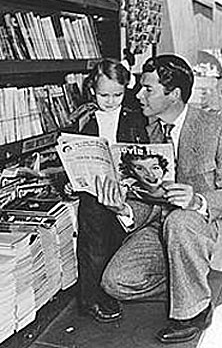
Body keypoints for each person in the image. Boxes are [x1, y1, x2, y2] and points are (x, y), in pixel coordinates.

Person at [96, 54, 222, 344]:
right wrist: (123, 208)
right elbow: (148, 199)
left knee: (180, 221)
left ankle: (193, 312)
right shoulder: (148, 131)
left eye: (147, 89)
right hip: (161, 225)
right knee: (115, 283)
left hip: (207, 223)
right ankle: (189, 281)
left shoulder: (218, 128)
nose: (138, 94)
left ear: (174, 94)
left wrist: (198, 201)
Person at [74, 58, 149, 323]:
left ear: (126, 90)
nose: (110, 100)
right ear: (93, 89)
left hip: (123, 192)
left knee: (116, 242)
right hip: (92, 193)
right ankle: (89, 299)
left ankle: (109, 291)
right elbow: (70, 152)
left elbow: (140, 153)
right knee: (92, 246)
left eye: (117, 95)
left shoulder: (133, 118)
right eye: (104, 95)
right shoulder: (83, 118)